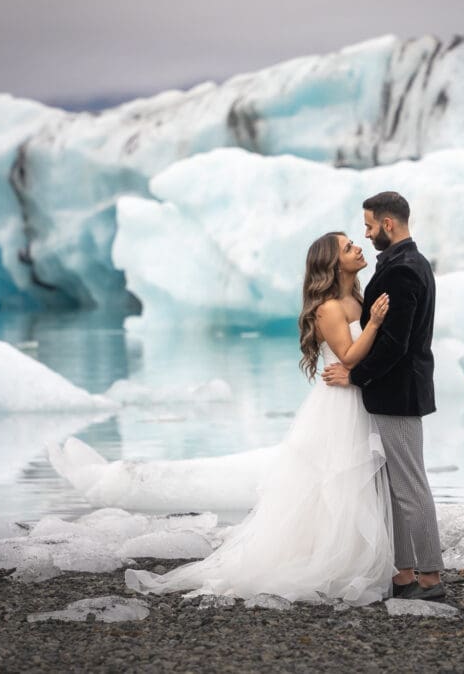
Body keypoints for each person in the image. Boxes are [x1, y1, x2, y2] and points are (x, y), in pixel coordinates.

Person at [125, 231, 396, 605]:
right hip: (339, 406)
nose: (357, 248)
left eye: (353, 243)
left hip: (358, 396)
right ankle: (328, 562)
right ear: (333, 263)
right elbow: (348, 356)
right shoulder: (329, 307)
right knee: (335, 483)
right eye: (348, 247)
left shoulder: (356, 298)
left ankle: (355, 559)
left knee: (359, 485)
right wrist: (375, 324)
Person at [323, 191, 445, 602]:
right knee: (396, 489)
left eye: (370, 225)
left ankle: (429, 578)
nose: (367, 233)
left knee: (410, 485)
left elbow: (395, 344)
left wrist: (355, 377)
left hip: (398, 392)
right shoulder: (404, 263)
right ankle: (403, 573)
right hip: (393, 392)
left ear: (387, 225)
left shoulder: (403, 270)